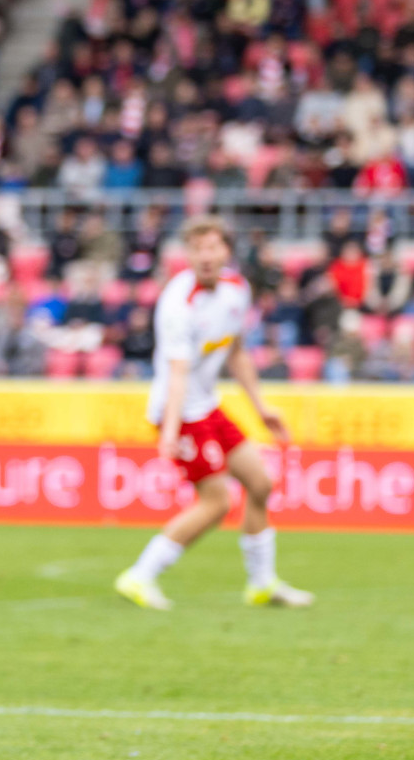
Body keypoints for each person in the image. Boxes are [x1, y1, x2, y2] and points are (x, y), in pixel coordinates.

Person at [114, 216, 314, 611]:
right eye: (197, 248)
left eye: (212, 247)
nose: (205, 256)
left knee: (259, 482)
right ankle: (140, 576)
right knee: (217, 502)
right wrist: (169, 430)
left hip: (206, 403)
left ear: (226, 251)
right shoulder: (178, 303)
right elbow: (177, 374)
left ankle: (261, 584)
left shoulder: (237, 290)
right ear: (187, 255)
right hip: (180, 411)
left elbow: (235, 352)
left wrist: (262, 408)